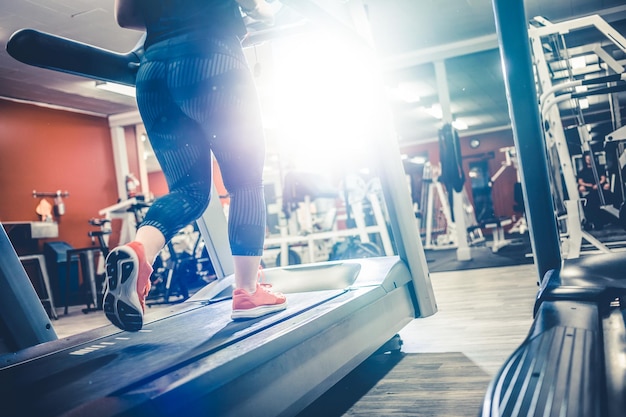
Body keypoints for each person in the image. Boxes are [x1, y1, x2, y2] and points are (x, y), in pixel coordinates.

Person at [105, 0, 286, 332]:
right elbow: (257, 6)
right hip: (213, 59)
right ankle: (247, 291)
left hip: (153, 71)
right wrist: (270, 10)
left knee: (189, 191)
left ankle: (138, 250)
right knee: (245, 183)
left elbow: (125, 16)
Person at [577, 152, 612, 229]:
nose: (589, 160)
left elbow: (603, 178)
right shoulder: (582, 171)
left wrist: (598, 184)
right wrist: (588, 185)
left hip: (598, 188)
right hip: (589, 189)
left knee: (606, 187)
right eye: (587, 159)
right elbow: (580, 181)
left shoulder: (598, 169)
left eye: (590, 159)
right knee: (584, 192)